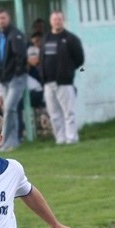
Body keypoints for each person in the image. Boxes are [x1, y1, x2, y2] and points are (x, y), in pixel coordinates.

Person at [40, 11, 85, 145]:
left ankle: (71, 138)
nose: (57, 21)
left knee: (68, 112)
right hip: (48, 82)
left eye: (59, 19)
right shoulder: (46, 38)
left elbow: (79, 59)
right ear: (50, 21)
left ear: (63, 20)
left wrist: (67, 71)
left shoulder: (71, 38)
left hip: (64, 82)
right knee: (54, 113)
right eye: (54, 19)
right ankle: (60, 138)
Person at [0, 7, 28, 152]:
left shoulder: (15, 34)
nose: (1, 21)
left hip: (16, 78)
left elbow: (21, 55)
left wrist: (17, 72)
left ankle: (7, 141)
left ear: (9, 18)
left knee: (9, 108)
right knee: (9, 110)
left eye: (4, 18)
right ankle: (12, 141)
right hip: (5, 79)